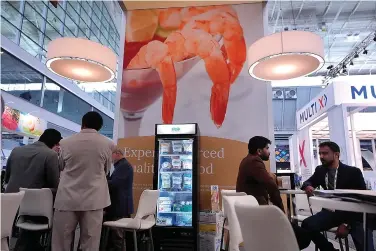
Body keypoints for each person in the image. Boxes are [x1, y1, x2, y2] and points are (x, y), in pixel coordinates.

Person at [52, 111, 115, 251]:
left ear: (82, 124)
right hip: (94, 198)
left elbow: (61, 166)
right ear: (100, 127)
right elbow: (106, 171)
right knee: (90, 240)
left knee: (62, 239)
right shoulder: (108, 144)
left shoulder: (65, 142)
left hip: (67, 197)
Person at [236, 136, 311, 250]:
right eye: (267, 148)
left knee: (300, 233)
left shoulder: (247, 160)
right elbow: (270, 185)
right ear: (259, 151)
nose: (269, 152)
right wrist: (281, 211)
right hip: (259, 214)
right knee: (303, 237)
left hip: (253, 212)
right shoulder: (254, 161)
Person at [301, 141, 374, 251]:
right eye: (320, 153)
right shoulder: (320, 170)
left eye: (325, 153)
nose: (321, 156)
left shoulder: (353, 172)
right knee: (307, 225)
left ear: (336, 155)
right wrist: (308, 186)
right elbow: (308, 182)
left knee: (364, 244)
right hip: (330, 212)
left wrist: (346, 224)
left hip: (353, 214)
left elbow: (361, 200)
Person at [4, 128, 62, 251]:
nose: (58, 148)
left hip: (10, 202)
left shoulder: (16, 150)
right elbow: (55, 184)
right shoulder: (50, 155)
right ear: (55, 143)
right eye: (58, 145)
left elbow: (7, 177)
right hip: (33, 207)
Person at [104, 147, 134, 251]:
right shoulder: (121, 166)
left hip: (119, 206)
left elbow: (115, 184)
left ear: (117, 153)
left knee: (118, 236)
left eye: (110, 155)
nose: (110, 158)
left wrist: (100, 181)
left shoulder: (123, 166)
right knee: (117, 235)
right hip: (120, 205)